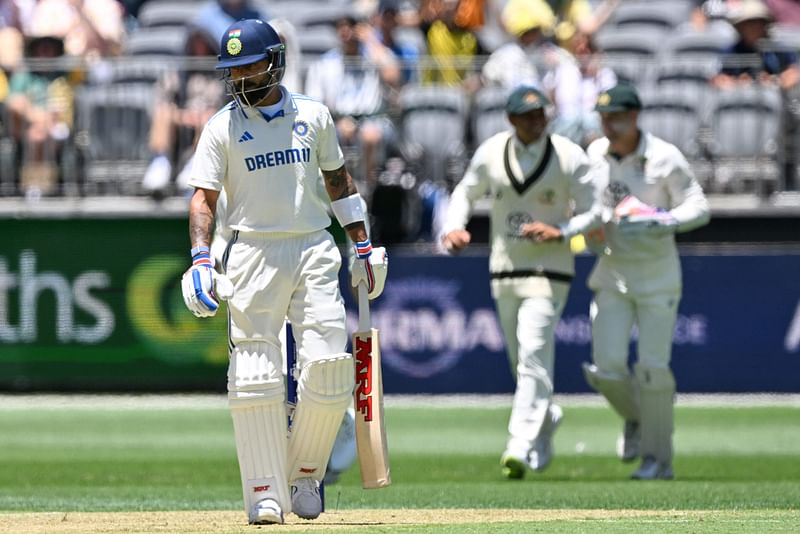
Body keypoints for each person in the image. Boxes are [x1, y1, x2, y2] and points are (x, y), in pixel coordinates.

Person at [180, 19, 388, 524]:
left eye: (249, 65)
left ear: (274, 61)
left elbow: (337, 182)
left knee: (330, 372)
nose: (241, 77)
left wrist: (362, 243)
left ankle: (306, 472)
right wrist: (201, 259)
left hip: (315, 247)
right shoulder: (221, 126)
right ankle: (263, 490)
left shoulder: (314, 116)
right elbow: (203, 199)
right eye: (233, 69)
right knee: (255, 375)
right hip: (252, 252)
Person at [441, 85, 601, 479]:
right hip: (505, 271)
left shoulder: (568, 155)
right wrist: (454, 227)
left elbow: (596, 210)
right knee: (522, 362)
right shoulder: (493, 151)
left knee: (533, 351)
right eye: (528, 116)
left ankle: (519, 443)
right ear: (512, 119)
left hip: (551, 272)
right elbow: (465, 190)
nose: (537, 121)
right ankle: (544, 418)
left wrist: (561, 230)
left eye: (541, 114)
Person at [582, 83, 710, 480]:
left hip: (657, 276)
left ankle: (659, 460)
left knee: (654, 368)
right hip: (612, 273)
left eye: (616, 118)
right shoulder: (595, 155)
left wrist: (663, 219)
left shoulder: (664, 157)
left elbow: (699, 206)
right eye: (604, 118)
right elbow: (587, 206)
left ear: (635, 116)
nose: (609, 126)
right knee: (607, 370)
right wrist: (592, 230)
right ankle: (638, 418)